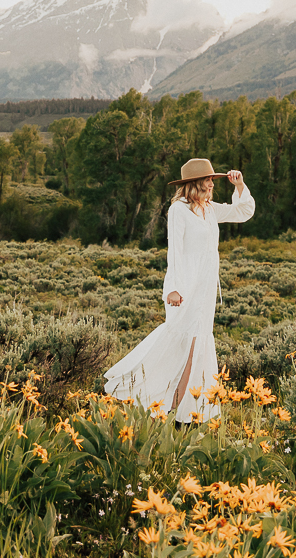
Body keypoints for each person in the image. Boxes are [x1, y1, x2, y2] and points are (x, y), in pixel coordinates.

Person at [103, 158, 254, 423]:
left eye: (212, 180)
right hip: (186, 287)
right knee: (180, 342)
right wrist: (172, 288)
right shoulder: (179, 210)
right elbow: (175, 252)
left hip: (206, 290)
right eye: (208, 180)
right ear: (195, 183)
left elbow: (243, 212)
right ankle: (151, 395)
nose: (211, 184)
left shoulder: (209, 209)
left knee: (197, 346)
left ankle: (182, 409)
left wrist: (239, 185)